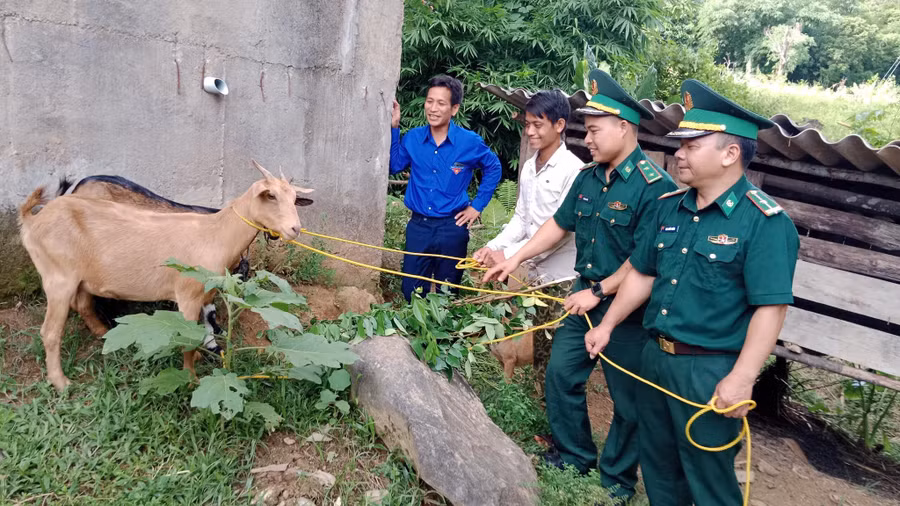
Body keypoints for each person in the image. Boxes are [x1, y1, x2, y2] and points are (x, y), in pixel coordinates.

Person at [584, 79, 799, 505]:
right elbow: (643, 275)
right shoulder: (669, 206)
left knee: (708, 477)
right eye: (679, 144)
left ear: (730, 154)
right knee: (660, 467)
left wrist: (742, 378)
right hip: (654, 358)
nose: (678, 153)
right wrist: (607, 325)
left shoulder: (765, 223)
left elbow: (770, 309)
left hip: (709, 370)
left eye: (692, 145)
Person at [483, 69, 676, 501]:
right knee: (561, 375)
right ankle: (574, 455)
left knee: (628, 402)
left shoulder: (656, 190)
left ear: (624, 128)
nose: (586, 138)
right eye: (584, 130)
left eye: (593, 130)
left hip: (626, 310)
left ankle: (618, 480)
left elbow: (643, 262)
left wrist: (602, 290)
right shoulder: (589, 178)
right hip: (582, 298)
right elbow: (556, 225)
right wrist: (513, 258)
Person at [473, 89, 583, 394]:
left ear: (559, 125)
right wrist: (493, 247)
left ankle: (558, 426)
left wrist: (510, 256)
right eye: (528, 124)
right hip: (534, 276)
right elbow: (521, 219)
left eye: (538, 124)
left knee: (556, 359)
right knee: (538, 349)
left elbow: (558, 232)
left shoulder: (573, 171)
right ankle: (543, 419)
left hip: (562, 280)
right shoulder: (530, 167)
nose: (531, 131)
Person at [390, 75, 503, 302]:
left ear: (454, 109)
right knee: (411, 290)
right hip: (419, 226)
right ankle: (416, 333)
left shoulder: (468, 142)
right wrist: (394, 128)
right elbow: (394, 165)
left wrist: (477, 206)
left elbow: (494, 167)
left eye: (441, 103)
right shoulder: (412, 138)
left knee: (448, 290)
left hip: (452, 227)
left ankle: (443, 336)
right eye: (429, 101)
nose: (433, 108)